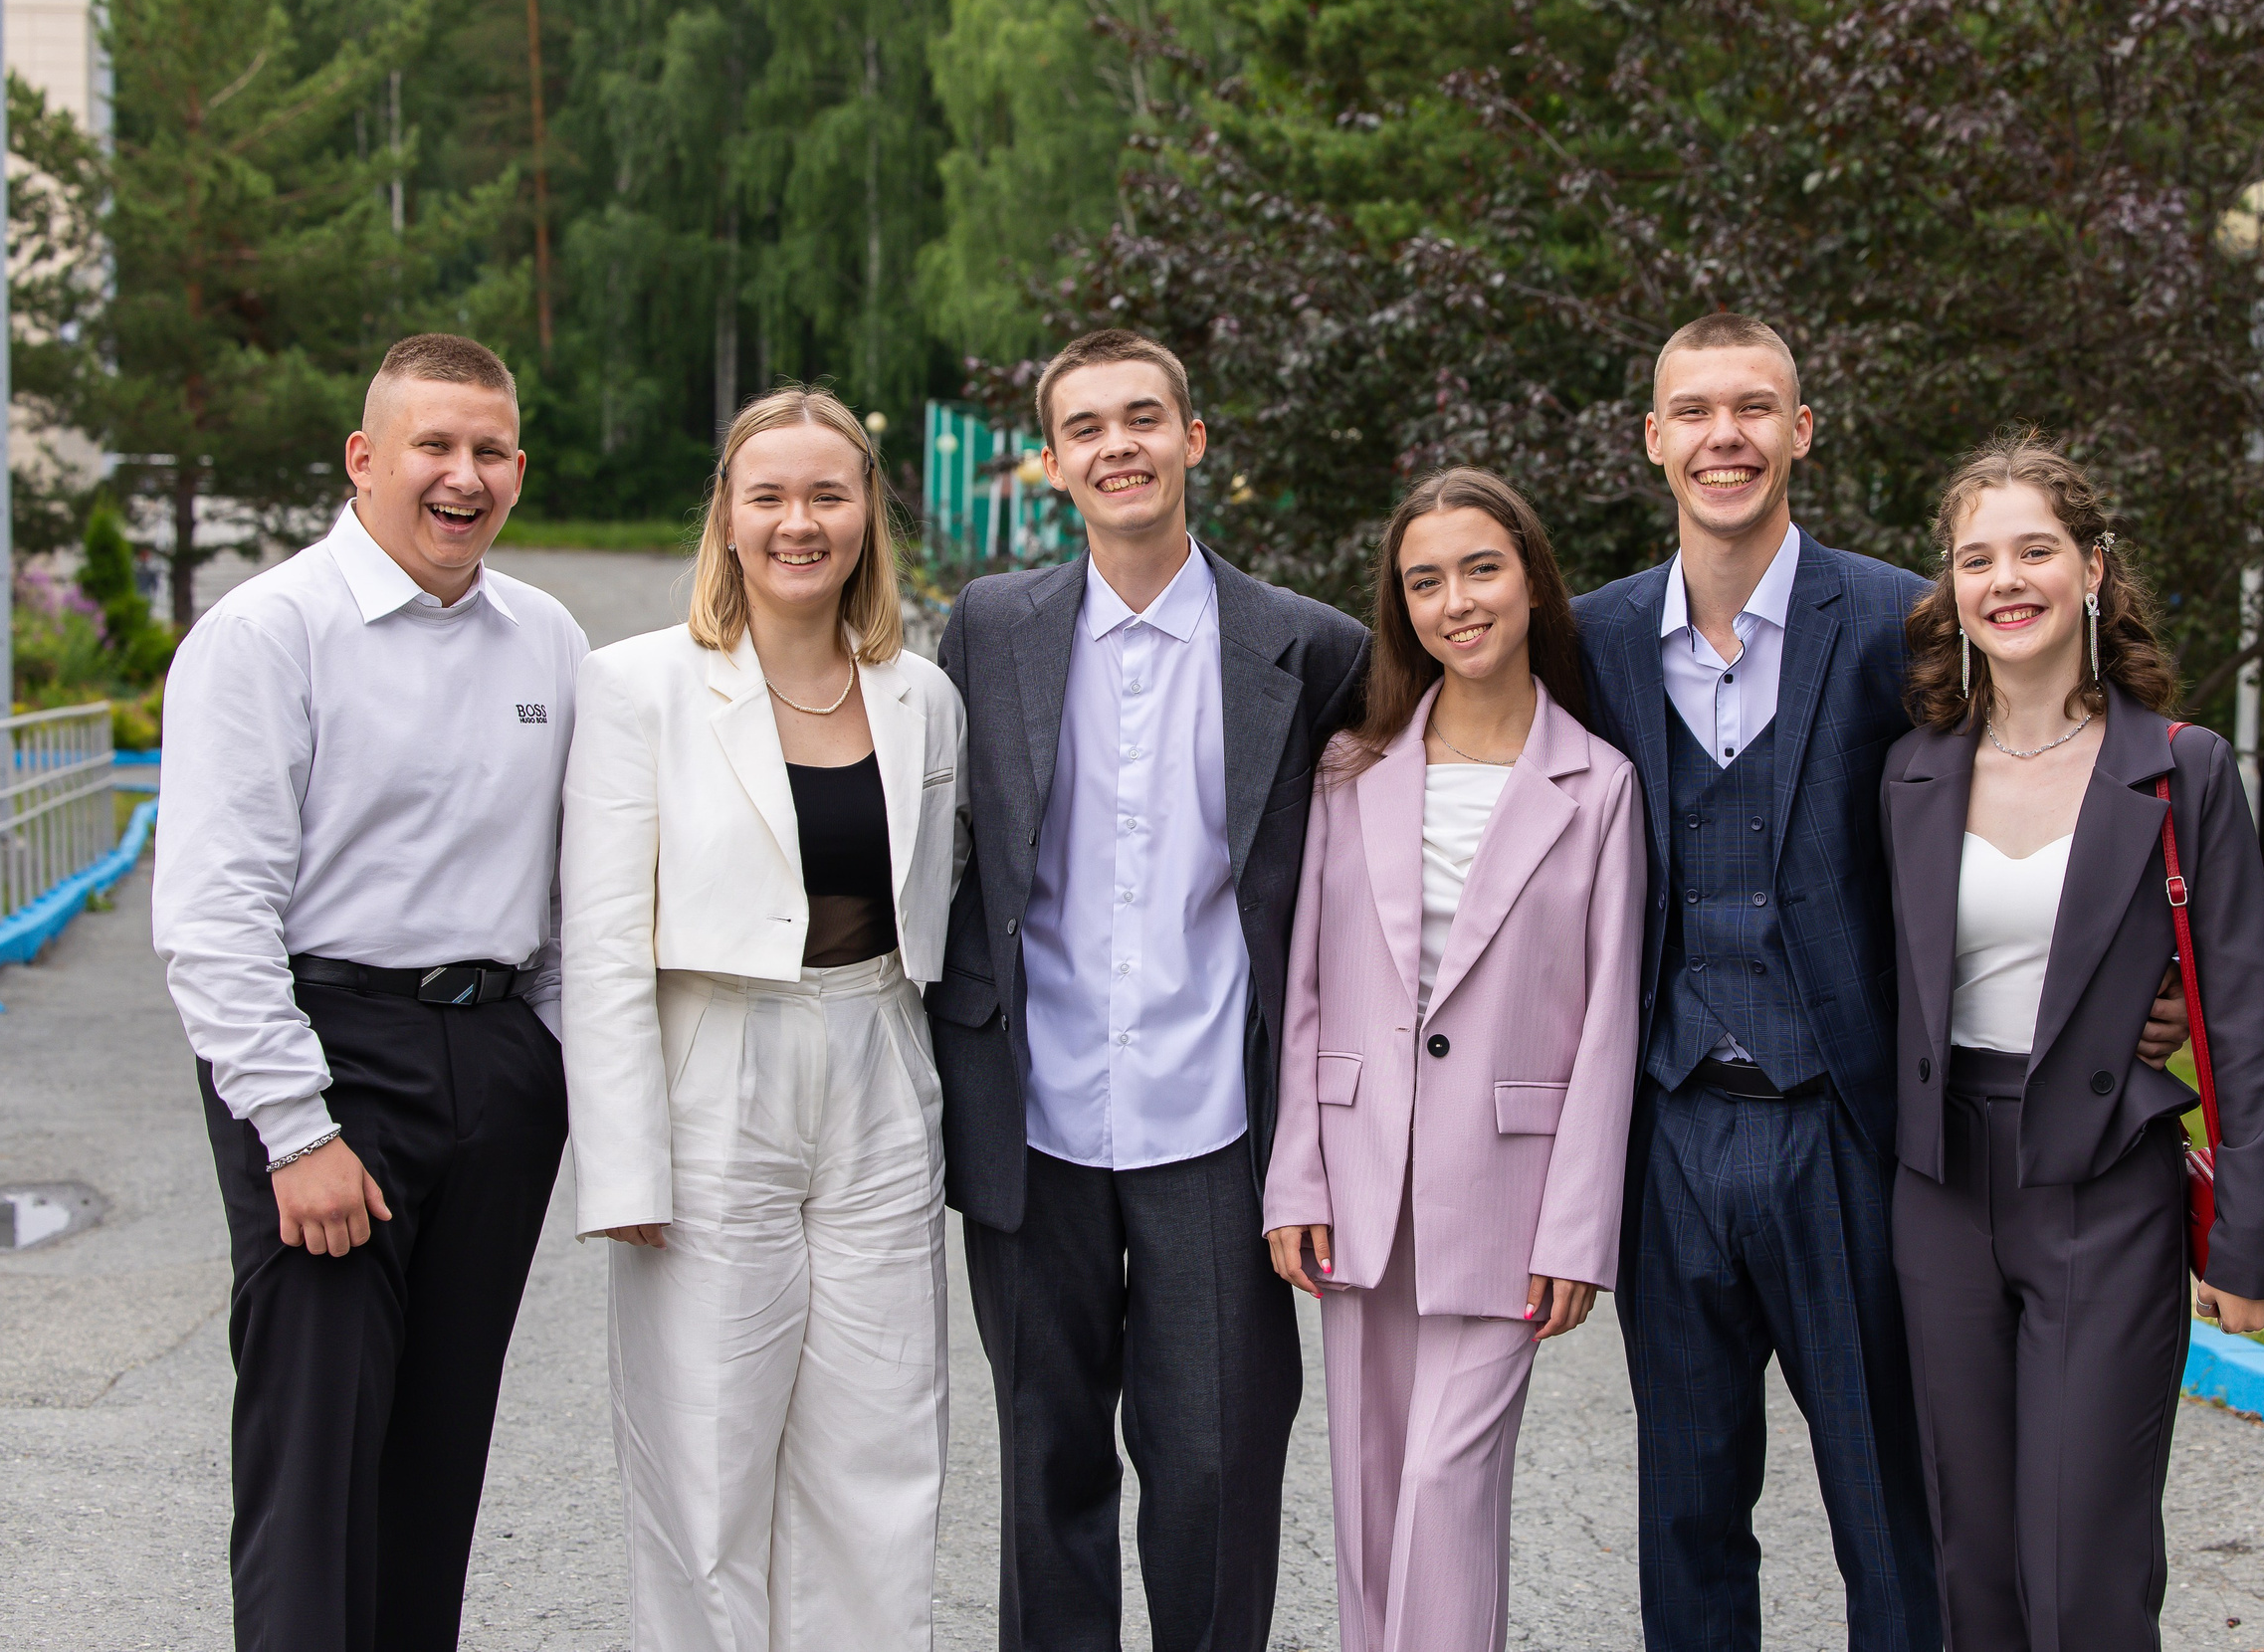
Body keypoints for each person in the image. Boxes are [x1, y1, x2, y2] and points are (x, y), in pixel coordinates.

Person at [1571, 313, 2191, 1651]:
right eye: (1693, 410)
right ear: (1653, 439)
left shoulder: (1908, 617)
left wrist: (2127, 981)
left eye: (1753, 407)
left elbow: (2054, 778)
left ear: (1801, 431)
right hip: (1666, 1128)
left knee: (1892, 1504)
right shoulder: (1595, 638)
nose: (1722, 435)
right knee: (1684, 1501)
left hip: (1854, 1128)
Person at [926, 328, 1368, 1650]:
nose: (1118, 445)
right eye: (1087, 426)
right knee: (1047, 1463)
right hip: (1033, 1112)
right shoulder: (989, 626)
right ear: (1052, 461)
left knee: (1218, 1468)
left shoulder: (1311, 648)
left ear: (1193, 439)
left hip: (1219, 1120)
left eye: (1144, 417)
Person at [155, 332, 589, 1651]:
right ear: (366, 458)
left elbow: (573, 894)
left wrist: (560, 1069)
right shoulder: (267, 633)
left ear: (517, 466)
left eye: (490, 449)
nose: (464, 476)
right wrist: (296, 1126)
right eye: (434, 446)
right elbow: (213, 910)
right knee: (317, 1459)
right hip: (330, 1061)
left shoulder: (550, 638)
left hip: (499, 1066)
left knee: (439, 1450)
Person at [557, 384, 967, 1650]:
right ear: (727, 518)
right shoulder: (638, 687)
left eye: (829, 495)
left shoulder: (920, 694)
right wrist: (622, 1162)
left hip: (879, 1064)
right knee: (705, 1453)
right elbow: (603, 943)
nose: (802, 521)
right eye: (771, 495)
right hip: (714, 1069)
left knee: (881, 1448)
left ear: (867, 518)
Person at [1880, 436, 2264, 1651]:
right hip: (1941, 1188)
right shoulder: (1909, 772)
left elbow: (2243, 1016)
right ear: (1951, 589)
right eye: (1976, 558)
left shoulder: (2179, 768)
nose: (2005, 580)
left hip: (2104, 1189)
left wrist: (2256, 1235)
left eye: (2034, 551)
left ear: (2092, 571)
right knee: (1977, 1573)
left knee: (2084, 1573)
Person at [1264, 467, 1643, 1652]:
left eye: (1480, 568)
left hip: (1506, 1191)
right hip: (1358, 1170)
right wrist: (1296, 1179)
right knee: (1369, 1486)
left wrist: (1577, 1231)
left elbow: (1608, 1022)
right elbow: (1309, 993)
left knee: (1443, 1482)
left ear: (1531, 580)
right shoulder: (1349, 771)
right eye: (1424, 582)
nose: (1456, 602)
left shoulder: (1598, 786)